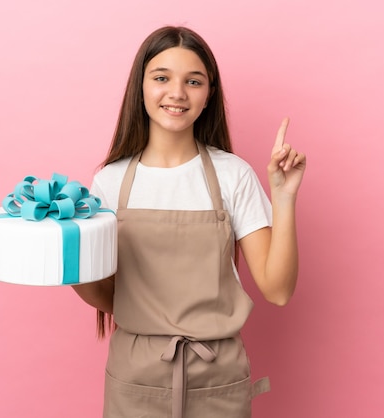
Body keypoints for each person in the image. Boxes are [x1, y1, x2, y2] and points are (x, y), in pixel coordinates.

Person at [73, 25, 306, 418]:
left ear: (208, 94)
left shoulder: (234, 175)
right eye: (161, 78)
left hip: (218, 376)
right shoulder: (109, 182)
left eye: (193, 81)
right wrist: (64, 254)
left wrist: (283, 197)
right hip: (137, 378)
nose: (177, 93)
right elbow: (107, 295)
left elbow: (278, 290)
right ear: (141, 87)